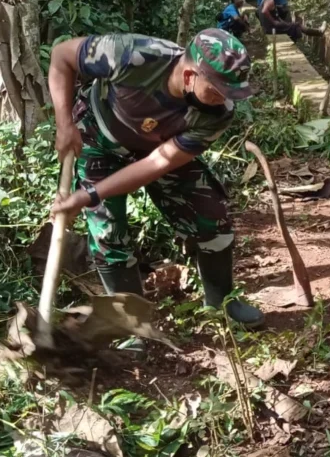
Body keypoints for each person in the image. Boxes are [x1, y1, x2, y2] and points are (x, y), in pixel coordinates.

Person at [48, 30, 265, 329]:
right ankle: (131, 325)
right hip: (99, 139)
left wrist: (88, 195)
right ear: (190, 75)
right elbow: (61, 56)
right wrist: (64, 123)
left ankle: (222, 302)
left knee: (211, 214)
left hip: (157, 150)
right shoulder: (131, 55)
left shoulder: (218, 115)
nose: (224, 99)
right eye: (217, 90)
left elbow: (158, 162)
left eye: (231, 92)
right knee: (107, 232)